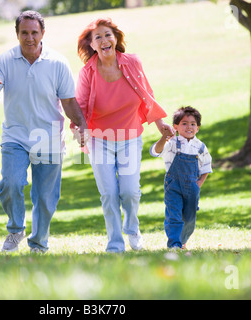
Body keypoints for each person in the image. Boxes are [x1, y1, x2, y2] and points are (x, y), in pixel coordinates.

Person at [0, 11, 87, 253]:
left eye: (34, 32)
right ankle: (16, 228)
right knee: (11, 183)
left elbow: (69, 102)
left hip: (49, 136)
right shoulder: (4, 60)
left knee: (46, 197)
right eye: (24, 33)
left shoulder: (58, 62)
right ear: (17, 34)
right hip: (15, 135)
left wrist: (81, 125)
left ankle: (38, 242)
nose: (29, 38)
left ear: (43, 34)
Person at [73, 18, 173, 253]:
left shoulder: (131, 62)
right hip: (100, 138)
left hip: (129, 136)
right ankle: (115, 243)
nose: (104, 40)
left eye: (108, 35)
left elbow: (146, 93)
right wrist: (80, 131)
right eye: (98, 37)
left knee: (129, 191)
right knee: (108, 194)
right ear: (92, 45)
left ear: (115, 38)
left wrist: (159, 124)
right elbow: (80, 105)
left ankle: (132, 228)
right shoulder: (88, 72)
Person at [150, 106, 212, 250]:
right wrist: (164, 137)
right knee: (174, 215)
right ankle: (174, 244)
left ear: (198, 128)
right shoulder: (172, 143)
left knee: (189, 218)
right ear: (176, 127)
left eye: (193, 124)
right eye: (184, 123)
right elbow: (155, 151)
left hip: (192, 187)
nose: (189, 127)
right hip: (173, 186)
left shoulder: (200, 147)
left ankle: (182, 240)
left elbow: (206, 167)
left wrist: (198, 184)